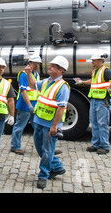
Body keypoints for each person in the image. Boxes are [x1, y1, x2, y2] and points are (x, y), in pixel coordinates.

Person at [25, 55, 70, 189]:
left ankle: (43, 175)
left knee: (47, 151)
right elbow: (32, 85)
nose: (49, 67)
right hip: (39, 120)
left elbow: (61, 108)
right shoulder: (46, 82)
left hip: (49, 125)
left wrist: (55, 125)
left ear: (60, 70)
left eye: (53, 66)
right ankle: (57, 167)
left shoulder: (63, 87)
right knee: (41, 148)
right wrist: (28, 73)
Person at [74, 53, 111, 154]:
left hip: (103, 100)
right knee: (94, 122)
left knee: (102, 123)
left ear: (100, 61)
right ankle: (96, 144)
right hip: (94, 100)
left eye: (94, 61)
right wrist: (82, 82)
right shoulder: (95, 72)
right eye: (92, 61)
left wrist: (109, 88)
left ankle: (104, 146)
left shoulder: (105, 71)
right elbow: (93, 82)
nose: (92, 62)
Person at [10, 55, 42, 155]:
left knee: (37, 127)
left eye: (38, 64)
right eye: (35, 63)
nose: (37, 65)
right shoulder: (23, 74)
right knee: (20, 126)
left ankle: (43, 147)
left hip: (34, 104)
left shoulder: (36, 74)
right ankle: (15, 146)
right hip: (25, 105)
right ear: (30, 63)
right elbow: (23, 91)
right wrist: (29, 106)